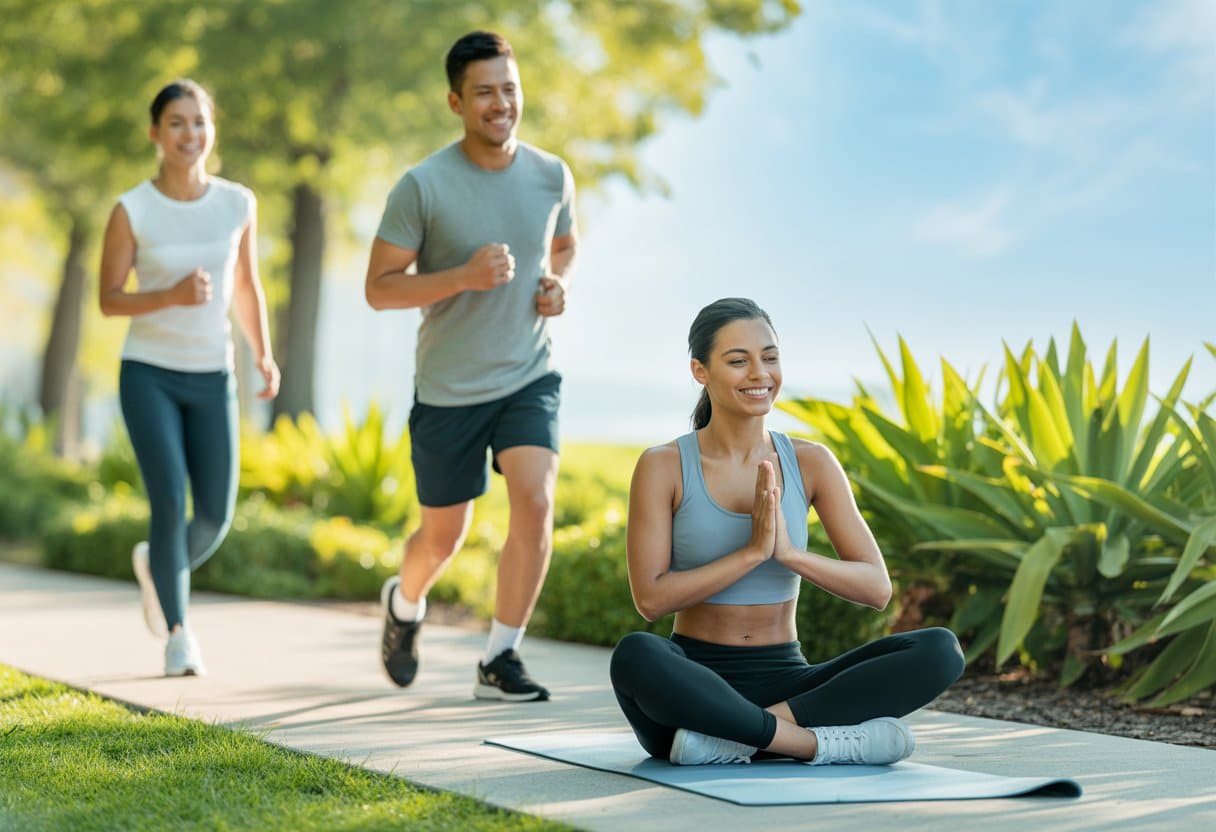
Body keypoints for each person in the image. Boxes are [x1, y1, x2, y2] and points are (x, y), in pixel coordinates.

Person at [609, 298, 964, 765]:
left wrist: (790, 554)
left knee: (939, 650)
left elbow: (876, 588)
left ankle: (737, 738)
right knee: (636, 655)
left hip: (787, 688)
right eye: (738, 361)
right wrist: (752, 553)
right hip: (693, 688)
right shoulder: (664, 465)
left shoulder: (811, 462)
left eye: (770, 357)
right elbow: (651, 600)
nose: (760, 373)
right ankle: (813, 745)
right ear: (700, 370)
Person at [365, 31, 577, 701]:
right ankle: (404, 602)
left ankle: (500, 658)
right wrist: (461, 276)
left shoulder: (552, 174)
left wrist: (555, 284)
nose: (500, 103)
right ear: (456, 101)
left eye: (509, 89)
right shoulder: (422, 186)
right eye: (484, 92)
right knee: (442, 537)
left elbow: (565, 246)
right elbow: (379, 287)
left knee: (536, 500)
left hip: (527, 373)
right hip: (449, 388)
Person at [99, 79, 279, 677]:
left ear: (211, 131)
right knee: (170, 498)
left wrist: (263, 354)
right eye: (176, 123)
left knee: (215, 517)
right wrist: (169, 295)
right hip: (148, 373)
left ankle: (157, 564)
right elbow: (108, 299)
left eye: (199, 122)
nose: (189, 134)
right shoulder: (133, 209)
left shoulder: (237, 204)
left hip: (213, 373)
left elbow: (246, 287)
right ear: (155, 133)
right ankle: (179, 636)